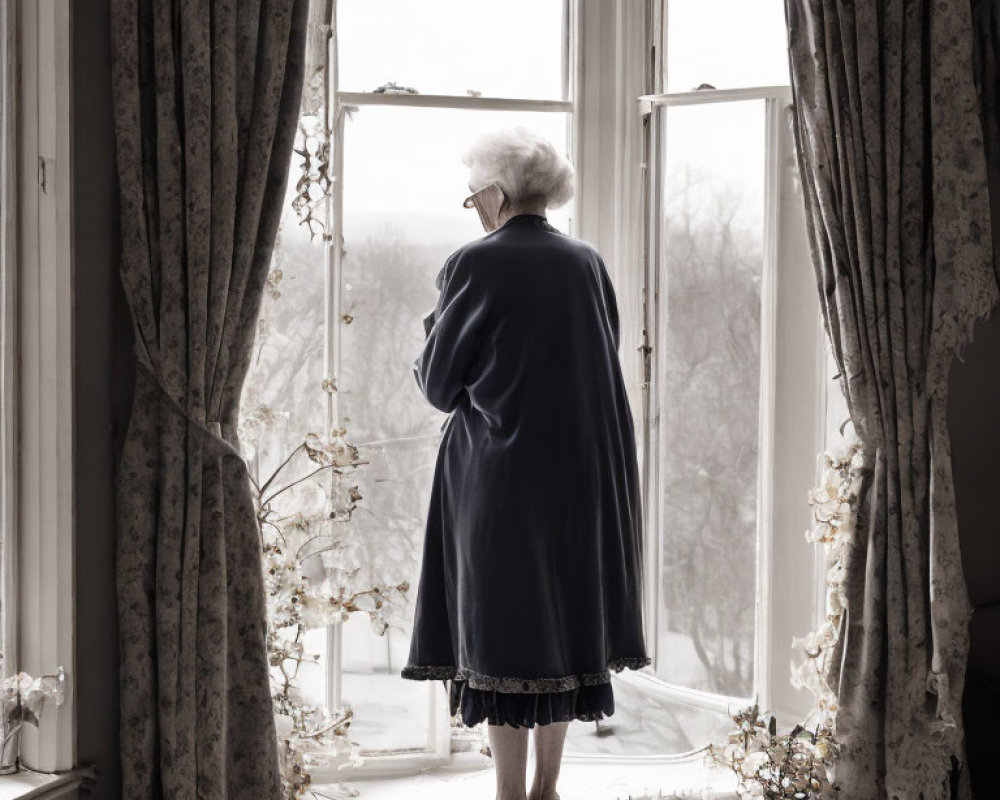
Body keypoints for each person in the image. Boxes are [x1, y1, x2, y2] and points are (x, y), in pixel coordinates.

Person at [400, 126, 649, 800]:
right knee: (562, 622)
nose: (474, 208)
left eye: (474, 196)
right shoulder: (586, 263)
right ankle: (546, 788)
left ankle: (509, 792)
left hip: (497, 479)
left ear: (498, 192)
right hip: (580, 474)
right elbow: (600, 358)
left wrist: (436, 323)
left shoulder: (473, 264)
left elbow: (437, 385)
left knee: (500, 630)